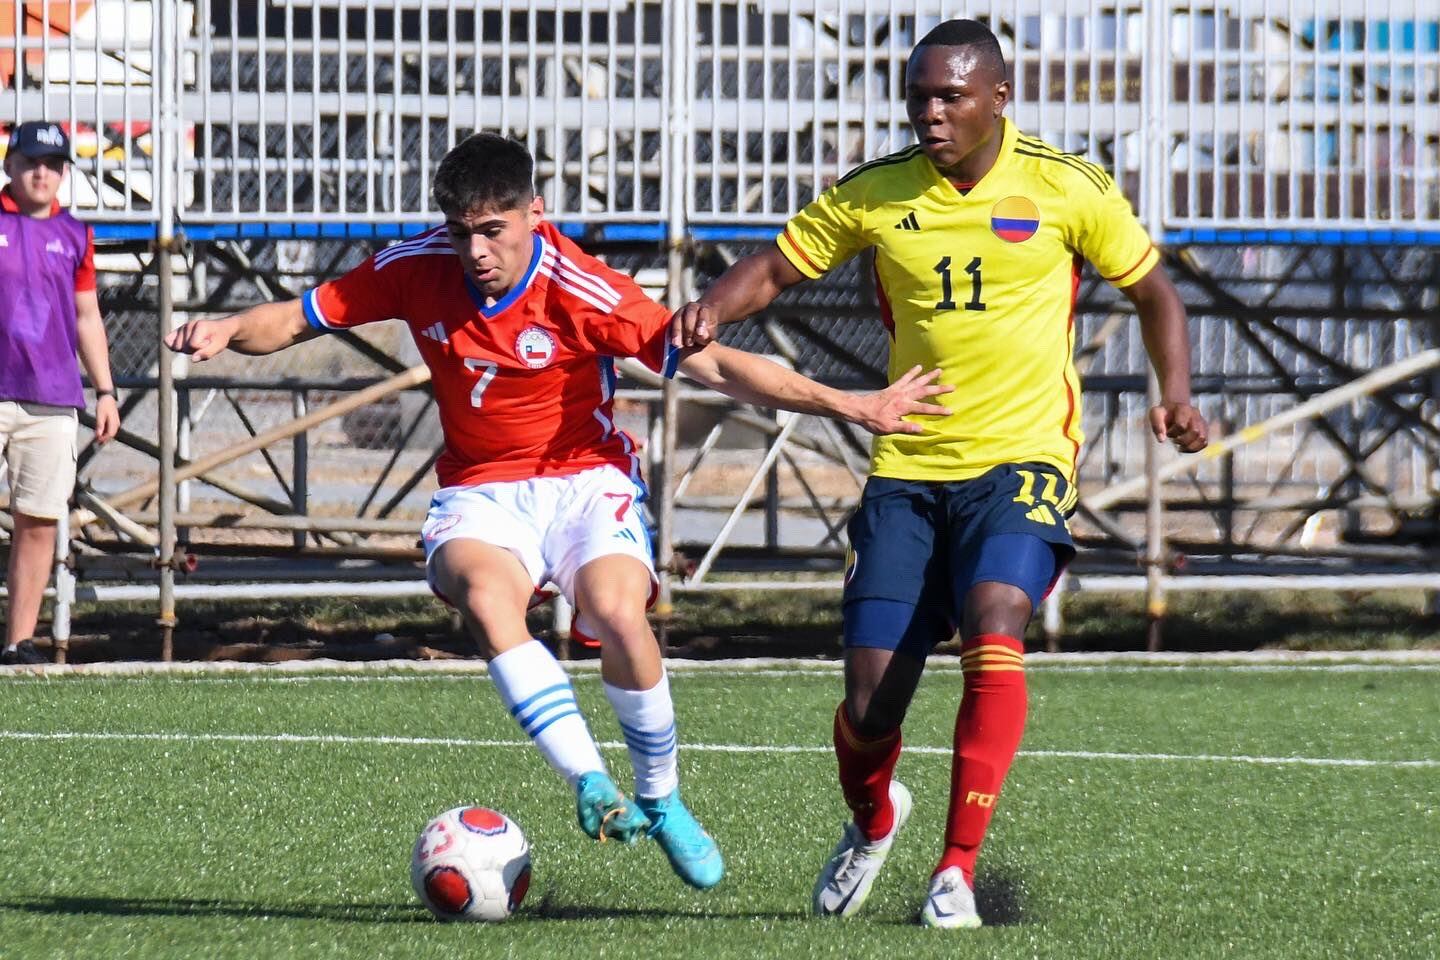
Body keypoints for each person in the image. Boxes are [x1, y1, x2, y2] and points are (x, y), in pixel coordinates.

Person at [165, 132, 949, 890]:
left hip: (582, 479)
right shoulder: (417, 266)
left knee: (617, 610)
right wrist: (232, 327)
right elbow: (301, 315)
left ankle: (661, 795)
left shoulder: (582, 288)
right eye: (463, 232)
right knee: (484, 595)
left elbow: (718, 367)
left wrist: (849, 402)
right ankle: (589, 782)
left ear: (534, 213)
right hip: (478, 488)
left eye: (493, 231)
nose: (476, 251)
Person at [669, 19, 1209, 927]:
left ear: (1000, 95)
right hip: (909, 470)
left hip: (1023, 460)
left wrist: (1178, 393)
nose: (929, 112)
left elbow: (1154, 288)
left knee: (996, 623)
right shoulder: (878, 194)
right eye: (916, 94)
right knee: (871, 704)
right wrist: (710, 309)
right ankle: (875, 819)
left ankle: (954, 870)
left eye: (949, 95)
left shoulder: (1066, 186)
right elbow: (772, 267)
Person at [1, 121, 121, 667]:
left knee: (39, 518)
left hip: (51, 396)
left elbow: (86, 315)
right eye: (30, 162)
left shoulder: (76, 234)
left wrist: (106, 390)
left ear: (65, 172)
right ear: (10, 166)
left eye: (52, 163)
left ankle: (17, 642)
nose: (41, 172)